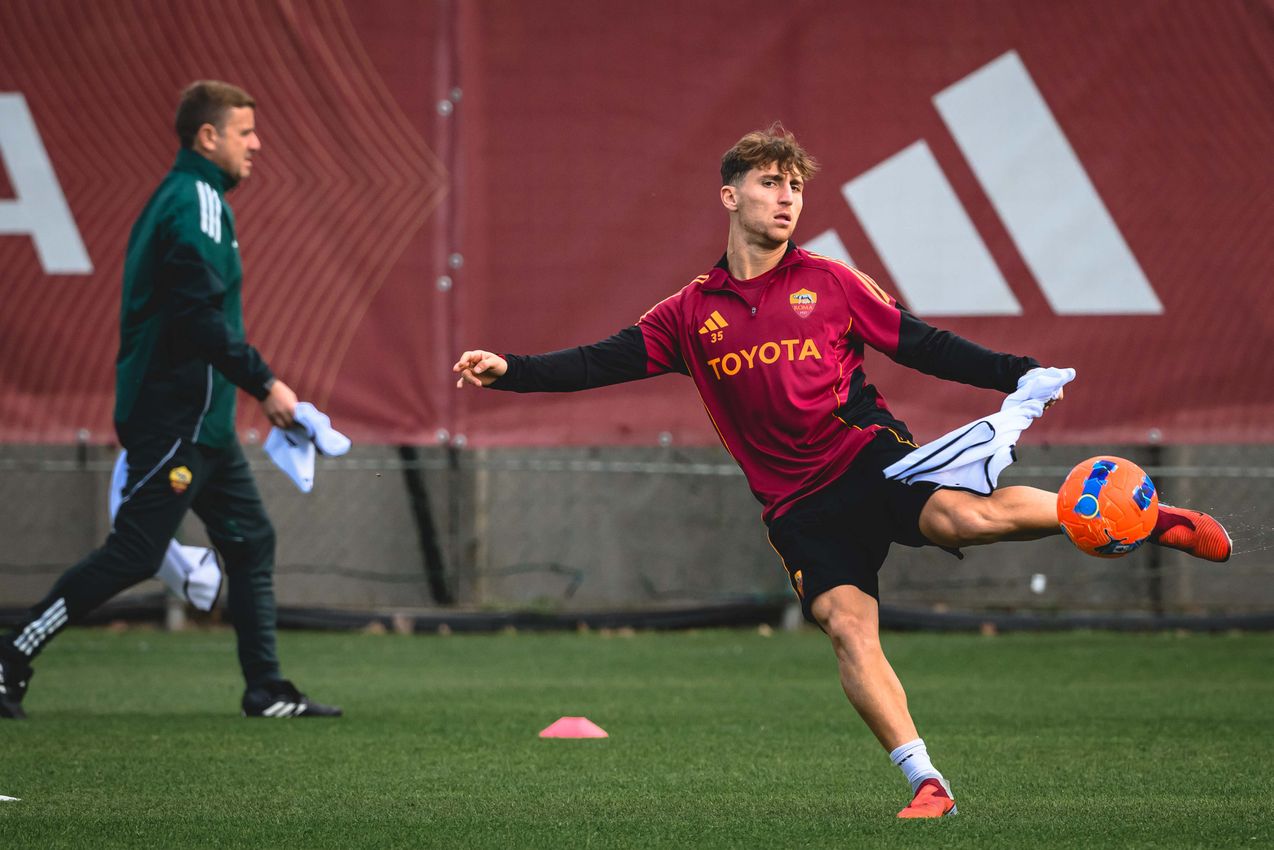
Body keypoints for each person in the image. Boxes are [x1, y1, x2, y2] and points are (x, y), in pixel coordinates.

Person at [451, 124, 1231, 817]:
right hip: (796, 506)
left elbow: (920, 343)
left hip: (866, 457)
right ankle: (928, 782)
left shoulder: (828, 282)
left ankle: (1140, 519)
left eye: (795, 186)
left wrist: (1016, 372)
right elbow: (596, 362)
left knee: (962, 517)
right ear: (729, 195)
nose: (787, 197)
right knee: (849, 629)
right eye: (770, 183)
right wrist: (509, 369)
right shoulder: (689, 313)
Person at [0, 81, 340, 721]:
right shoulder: (195, 201)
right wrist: (266, 385)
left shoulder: (195, 199)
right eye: (245, 132)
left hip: (204, 424)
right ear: (208, 137)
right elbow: (197, 318)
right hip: (177, 418)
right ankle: (10, 656)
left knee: (251, 540)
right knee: (135, 551)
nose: (257, 144)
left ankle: (266, 690)